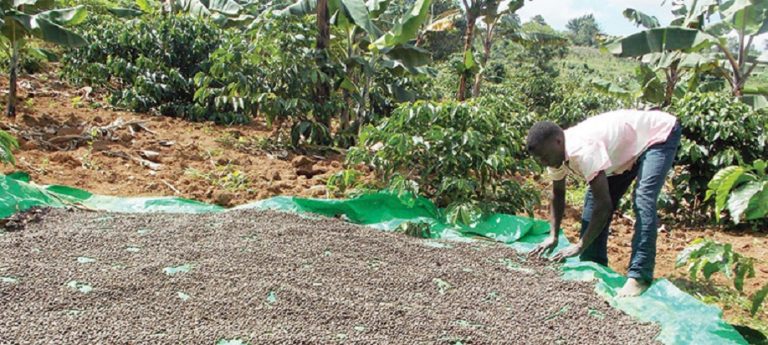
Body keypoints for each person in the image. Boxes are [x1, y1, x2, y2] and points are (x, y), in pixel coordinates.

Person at [526, 109, 681, 297]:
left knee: (643, 197)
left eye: (544, 157)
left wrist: (580, 245)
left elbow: (604, 206)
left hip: (656, 136)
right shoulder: (554, 155)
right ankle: (593, 266)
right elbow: (558, 193)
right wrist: (553, 236)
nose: (543, 162)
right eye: (539, 159)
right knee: (592, 203)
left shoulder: (582, 151)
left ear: (558, 142)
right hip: (622, 152)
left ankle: (639, 276)